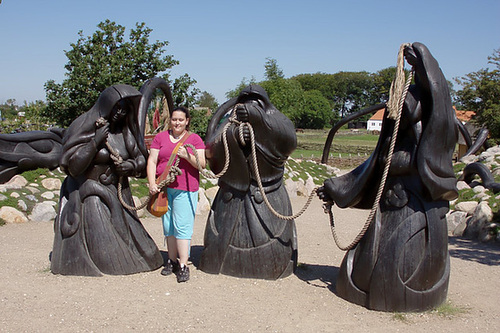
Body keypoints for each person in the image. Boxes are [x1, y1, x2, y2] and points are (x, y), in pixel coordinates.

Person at [51, 84, 164, 276]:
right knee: (109, 250)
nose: (119, 113)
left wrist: (131, 167)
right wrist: (95, 142)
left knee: (148, 252)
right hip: (90, 194)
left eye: (125, 109)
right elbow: (73, 167)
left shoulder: (125, 132)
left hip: (119, 194)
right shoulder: (84, 127)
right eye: (116, 107)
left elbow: (140, 159)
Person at [199, 85, 298, 279]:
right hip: (231, 194)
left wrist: (259, 122)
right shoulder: (229, 121)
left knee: (270, 238)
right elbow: (211, 147)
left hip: (266, 192)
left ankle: (270, 265)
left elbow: (288, 141)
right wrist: (234, 136)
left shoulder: (276, 119)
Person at [147, 106, 205, 282]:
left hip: (185, 188)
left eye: (181, 119)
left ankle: (183, 264)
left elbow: (201, 164)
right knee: (169, 226)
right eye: (174, 119)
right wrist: (151, 182)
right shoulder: (160, 138)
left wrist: (187, 156)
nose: (177, 123)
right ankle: (171, 260)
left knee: (182, 227)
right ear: (170, 120)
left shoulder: (194, 139)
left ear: (187, 121)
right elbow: (152, 160)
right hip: (164, 188)